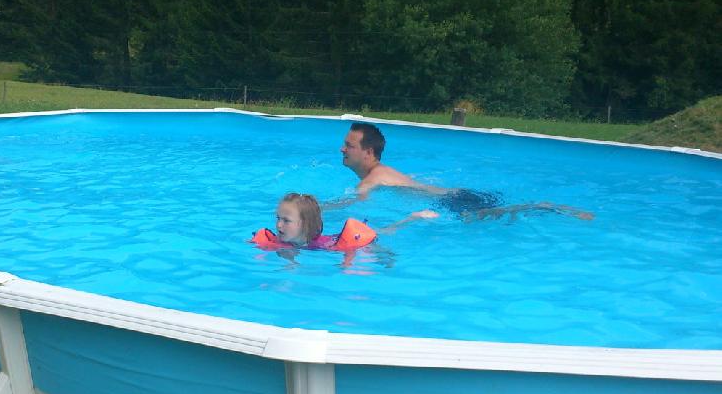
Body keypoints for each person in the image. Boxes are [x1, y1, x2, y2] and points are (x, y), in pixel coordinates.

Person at [336, 122, 594, 221]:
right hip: (455, 196)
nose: (342, 149)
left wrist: (316, 210)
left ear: (368, 152)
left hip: (453, 202)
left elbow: (355, 206)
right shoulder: (383, 172)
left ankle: (545, 206)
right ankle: (541, 206)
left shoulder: (372, 179)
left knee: (506, 213)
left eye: (349, 145)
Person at [253, 192, 439, 251]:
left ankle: (413, 217)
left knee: (383, 232)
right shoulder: (279, 240)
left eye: (286, 221)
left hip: (346, 240)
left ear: (304, 224)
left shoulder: (323, 245)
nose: (278, 225)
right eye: (277, 218)